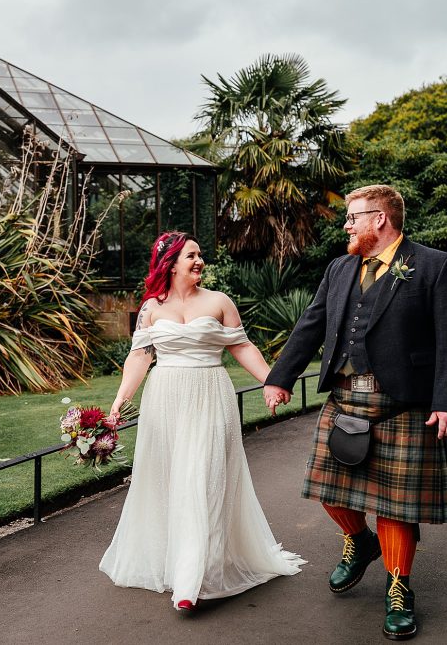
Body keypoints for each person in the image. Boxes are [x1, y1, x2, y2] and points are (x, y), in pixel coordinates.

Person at [264, 185, 447, 641]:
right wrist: (280, 377)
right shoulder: (340, 268)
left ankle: (399, 588)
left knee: (395, 508)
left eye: (353, 217)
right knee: (327, 490)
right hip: (344, 401)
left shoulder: (434, 266)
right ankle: (359, 542)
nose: (346, 225)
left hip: (403, 404)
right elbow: (312, 324)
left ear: (380, 219)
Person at [99, 231, 305, 612]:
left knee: (203, 477)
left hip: (210, 396)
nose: (200, 261)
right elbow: (140, 358)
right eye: (191, 255)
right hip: (164, 400)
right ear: (171, 262)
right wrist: (118, 404)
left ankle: (190, 581)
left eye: (200, 255)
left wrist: (274, 382)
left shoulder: (219, 302)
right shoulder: (150, 308)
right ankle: (179, 561)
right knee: (171, 480)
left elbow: (242, 346)